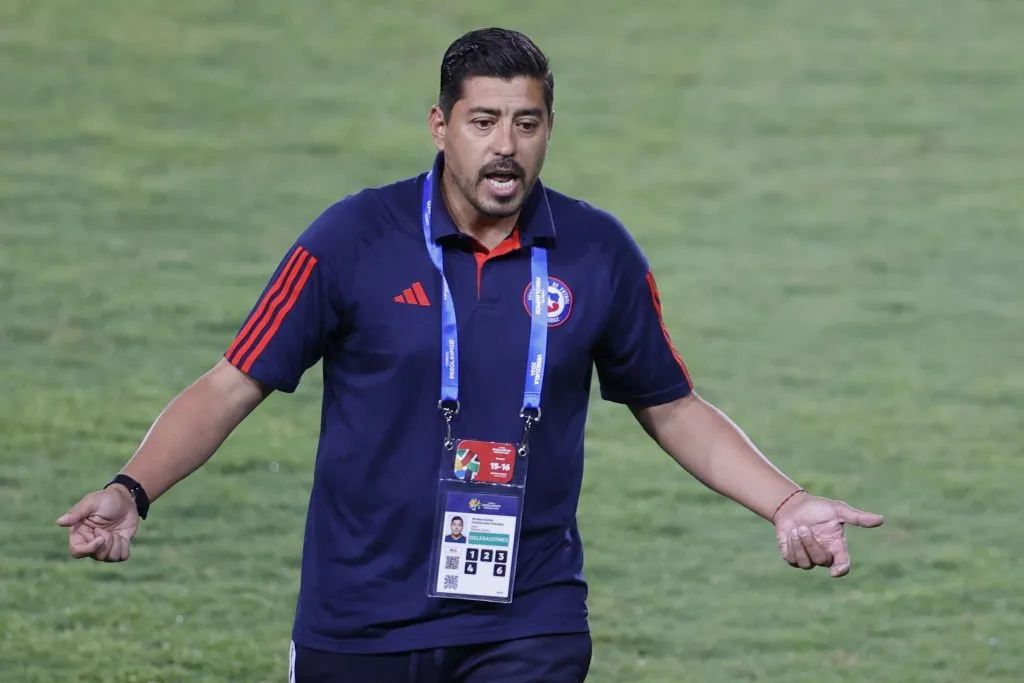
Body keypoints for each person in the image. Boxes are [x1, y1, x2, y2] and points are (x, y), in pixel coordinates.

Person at [57, 26, 884, 683]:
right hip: (360, 618)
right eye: (484, 121)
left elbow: (669, 403)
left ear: (549, 128)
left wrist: (785, 502)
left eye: (527, 124)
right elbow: (232, 383)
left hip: (528, 616)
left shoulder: (598, 253)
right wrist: (134, 488)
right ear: (440, 124)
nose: (506, 146)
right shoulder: (354, 239)